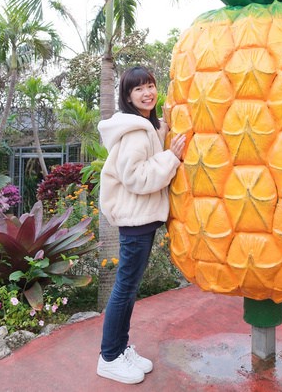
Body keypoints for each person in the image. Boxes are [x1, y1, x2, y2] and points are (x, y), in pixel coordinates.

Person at [96, 65, 186, 385]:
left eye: (150, 85)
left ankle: (120, 350)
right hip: (136, 219)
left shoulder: (147, 125)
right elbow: (136, 177)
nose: (147, 92)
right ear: (127, 96)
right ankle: (109, 357)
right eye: (138, 89)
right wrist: (171, 158)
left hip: (142, 218)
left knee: (129, 288)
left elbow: (156, 136)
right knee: (125, 288)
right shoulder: (135, 131)